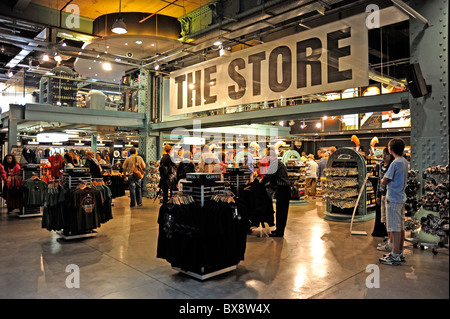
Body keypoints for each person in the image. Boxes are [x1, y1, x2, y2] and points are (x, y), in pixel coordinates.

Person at [379, 138, 409, 265]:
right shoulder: (404, 162)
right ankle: (400, 252)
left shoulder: (395, 163)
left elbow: (384, 180)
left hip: (393, 198)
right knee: (400, 226)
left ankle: (395, 254)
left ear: (391, 149)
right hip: (401, 197)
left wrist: (383, 180)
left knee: (394, 228)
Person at [260, 146, 291, 237]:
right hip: (283, 189)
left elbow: (268, 175)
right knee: (280, 211)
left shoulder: (275, 163)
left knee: (281, 211)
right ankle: (278, 230)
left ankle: (280, 232)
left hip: (283, 190)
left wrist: (261, 183)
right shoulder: (278, 163)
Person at [376, 147, 394, 252]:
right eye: (383, 153)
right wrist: (378, 195)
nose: (384, 156)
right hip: (383, 195)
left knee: (390, 220)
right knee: (384, 219)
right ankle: (389, 241)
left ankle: (391, 242)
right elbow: (379, 180)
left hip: (390, 195)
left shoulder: (392, 166)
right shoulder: (381, 165)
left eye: (386, 154)